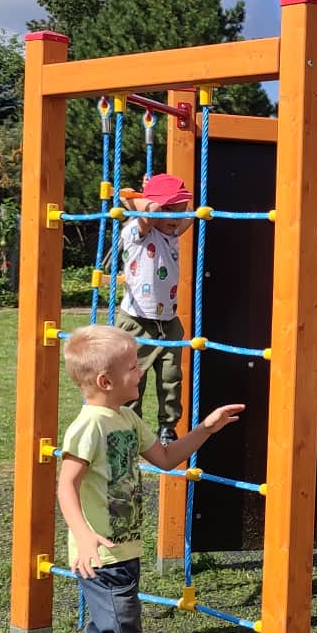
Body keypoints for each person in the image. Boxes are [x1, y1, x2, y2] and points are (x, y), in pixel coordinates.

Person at [38, 325, 245, 633]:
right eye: (133, 367)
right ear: (106, 381)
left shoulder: (127, 419)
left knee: (105, 630)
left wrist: (206, 429)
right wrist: (83, 535)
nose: (140, 372)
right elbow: (66, 486)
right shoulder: (89, 426)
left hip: (125, 551)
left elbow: (167, 459)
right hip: (99, 556)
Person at [113, 173, 194, 444]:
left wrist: (161, 200)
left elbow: (190, 215)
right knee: (132, 380)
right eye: (168, 210)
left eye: (177, 210)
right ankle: (129, 428)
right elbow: (139, 205)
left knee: (171, 378)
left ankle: (167, 427)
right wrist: (146, 197)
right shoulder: (136, 231)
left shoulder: (171, 233)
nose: (174, 218)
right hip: (136, 321)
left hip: (168, 322)